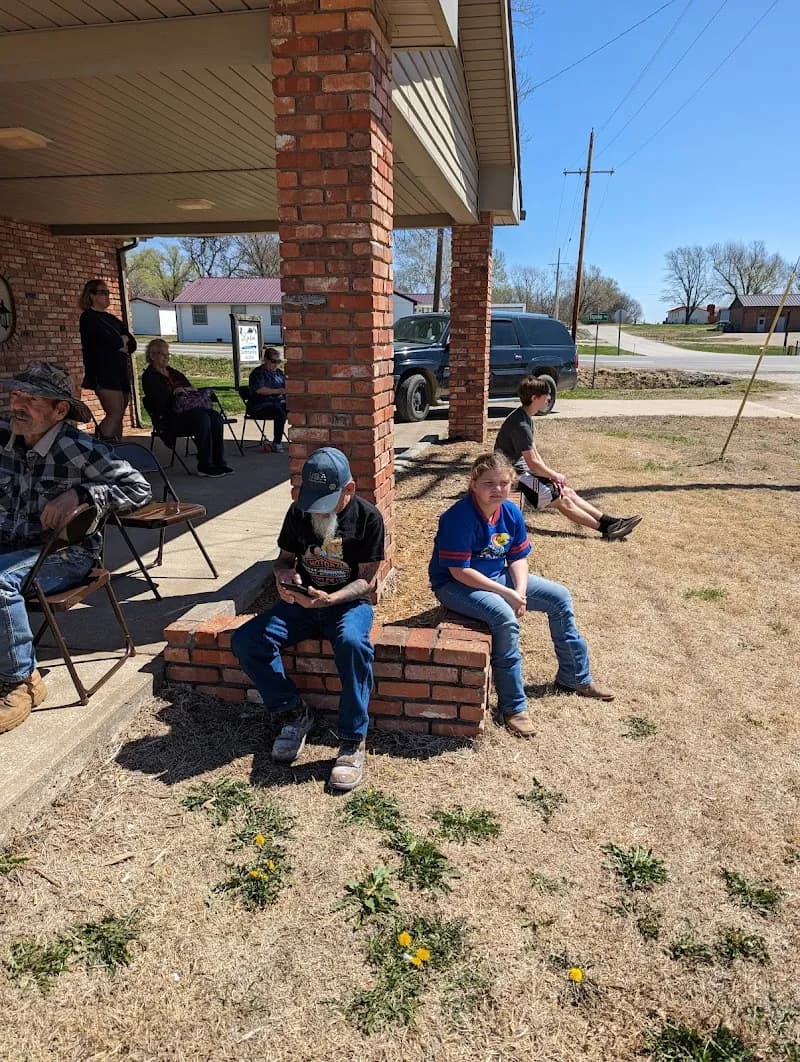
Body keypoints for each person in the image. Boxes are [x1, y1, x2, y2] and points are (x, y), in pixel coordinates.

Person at [0, 361, 151, 735]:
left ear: (59, 410)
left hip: (64, 555)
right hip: (8, 545)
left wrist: (83, 492)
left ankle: (21, 681)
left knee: (1, 583)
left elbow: (139, 490)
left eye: (31, 399)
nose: (17, 405)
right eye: (16, 395)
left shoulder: (80, 448)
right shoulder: (4, 437)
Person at [429, 452, 614, 739]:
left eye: (504, 483)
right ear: (473, 484)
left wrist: (520, 591)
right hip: (456, 586)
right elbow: (459, 572)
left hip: (496, 577)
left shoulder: (511, 512)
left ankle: (574, 678)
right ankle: (513, 707)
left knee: (559, 597)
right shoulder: (458, 517)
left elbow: (517, 557)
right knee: (503, 618)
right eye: (489, 483)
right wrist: (507, 595)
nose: (498, 489)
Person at [232, 447, 384, 792]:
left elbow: (367, 581)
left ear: (349, 489)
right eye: (313, 499)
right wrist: (283, 579)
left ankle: (351, 739)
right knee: (246, 640)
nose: (317, 508)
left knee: (352, 644)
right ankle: (293, 712)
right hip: (302, 603)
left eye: (326, 499)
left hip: (347, 604)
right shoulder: (298, 513)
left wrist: (332, 598)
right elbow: (284, 560)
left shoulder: (368, 518)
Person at [494, 376, 642, 541]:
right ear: (534, 398)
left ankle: (611, 522)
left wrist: (549, 475)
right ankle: (606, 529)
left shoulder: (525, 417)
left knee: (566, 491)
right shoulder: (521, 424)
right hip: (512, 474)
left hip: (522, 471)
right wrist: (553, 475)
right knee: (559, 499)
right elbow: (532, 463)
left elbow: (534, 454)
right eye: (546, 395)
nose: (549, 398)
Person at [141, 339, 233, 478]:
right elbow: (158, 401)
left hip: (188, 411)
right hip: (169, 417)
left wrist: (189, 390)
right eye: (162, 354)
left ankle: (218, 461)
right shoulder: (149, 377)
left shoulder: (173, 372)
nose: (166, 358)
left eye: (168, 354)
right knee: (202, 418)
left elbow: (189, 388)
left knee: (215, 417)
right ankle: (204, 465)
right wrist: (174, 393)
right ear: (153, 355)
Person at [78, 279, 137, 442]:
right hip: (103, 373)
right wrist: (120, 341)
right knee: (114, 413)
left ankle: (116, 452)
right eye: (102, 292)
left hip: (121, 372)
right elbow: (111, 342)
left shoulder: (112, 319)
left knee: (119, 416)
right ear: (91, 295)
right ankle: (99, 452)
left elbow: (131, 344)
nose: (107, 296)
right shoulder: (88, 318)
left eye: (107, 292)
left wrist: (121, 342)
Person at [247, 346, 287, 452]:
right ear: (266, 360)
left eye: (278, 361)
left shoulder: (279, 373)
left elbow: (287, 385)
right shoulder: (258, 373)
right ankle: (277, 443)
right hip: (260, 405)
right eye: (273, 361)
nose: (276, 364)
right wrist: (279, 391)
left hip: (279, 402)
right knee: (279, 411)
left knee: (294, 407)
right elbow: (260, 390)